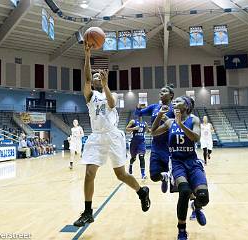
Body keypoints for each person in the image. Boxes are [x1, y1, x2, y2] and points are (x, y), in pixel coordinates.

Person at [73, 42, 150, 227]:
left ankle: (141, 192)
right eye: (95, 77)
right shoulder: (90, 97)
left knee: (121, 175)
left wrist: (106, 85)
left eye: (99, 76)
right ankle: (88, 212)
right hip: (96, 137)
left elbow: (112, 104)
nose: (96, 78)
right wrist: (87, 55)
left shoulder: (111, 94)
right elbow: (86, 79)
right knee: (89, 173)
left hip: (113, 136)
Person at [152, 96, 209, 240]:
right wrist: (159, 115)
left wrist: (181, 124)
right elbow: (153, 132)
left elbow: (196, 138)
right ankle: (182, 230)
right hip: (177, 162)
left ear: (187, 106)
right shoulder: (170, 122)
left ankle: (196, 206)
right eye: (174, 101)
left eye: (178, 101)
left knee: (203, 197)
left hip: (192, 161)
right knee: (184, 191)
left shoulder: (194, 120)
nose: (174, 103)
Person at [134, 84, 175, 192]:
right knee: (154, 175)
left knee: (176, 178)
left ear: (171, 95)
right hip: (156, 146)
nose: (161, 93)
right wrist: (138, 107)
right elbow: (138, 113)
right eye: (160, 91)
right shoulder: (154, 107)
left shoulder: (175, 109)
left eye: (164, 91)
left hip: (170, 147)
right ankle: (163, 178)